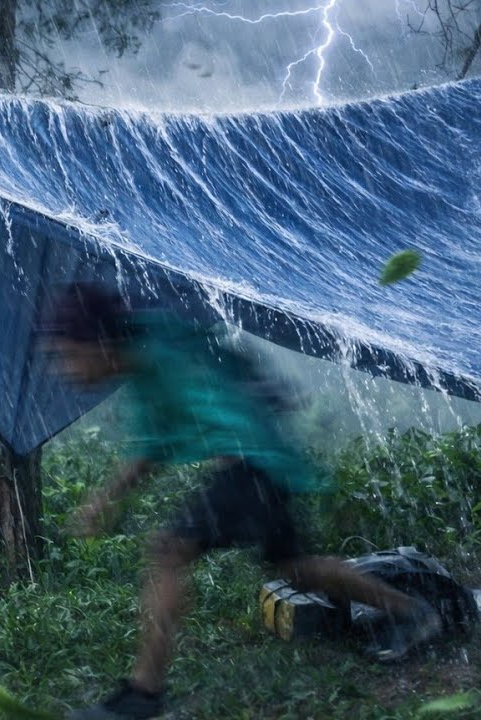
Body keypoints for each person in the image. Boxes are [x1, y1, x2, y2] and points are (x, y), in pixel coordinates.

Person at [43, 283, 442, 720]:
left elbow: (162, 441)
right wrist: (107, 500)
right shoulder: (146, 357)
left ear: (99, 343)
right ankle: (414, 612)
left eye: (69, 354)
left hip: (253, 464)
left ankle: (144, 694)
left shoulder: (158, 354)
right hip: (262, 465)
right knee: (297, 570)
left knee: (169, 549)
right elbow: (155, 444)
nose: (66, 369)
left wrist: (105, 500)